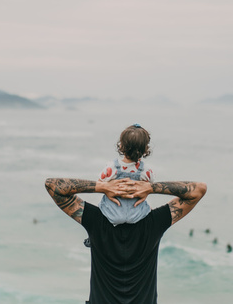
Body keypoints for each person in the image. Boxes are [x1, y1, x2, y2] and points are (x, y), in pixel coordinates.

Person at [45, 167, 207, 303]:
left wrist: (101, 187)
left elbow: (53, 186)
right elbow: (198, 190)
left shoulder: (96, 221)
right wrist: (151, 188)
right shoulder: (155, 223)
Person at [97, 124, 155, 226]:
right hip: (136, 215)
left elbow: (99, 183)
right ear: (145, 149)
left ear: (121, 146)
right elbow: (150, 186)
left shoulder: (111, 167)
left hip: (112, 213)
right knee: (149, 208)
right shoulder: (146, 170)